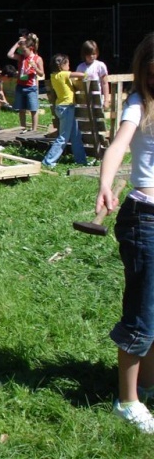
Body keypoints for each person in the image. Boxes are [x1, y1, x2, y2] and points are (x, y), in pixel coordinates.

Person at [96, 32, 154, 434]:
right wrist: (105, 180)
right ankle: (127, 400)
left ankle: (147, 384)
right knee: (142, 311)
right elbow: (118, 146)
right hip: (145, 218)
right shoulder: (138, 105)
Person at [42, 54, 88, 168]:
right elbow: (81, 75)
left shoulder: (54, 76)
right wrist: (88, 73)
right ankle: (48, 161)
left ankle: (81, 161)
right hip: (67, 108)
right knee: (63, 137)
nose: (69, 66)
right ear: (61, 65)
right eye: (67, 63)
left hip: (63, 107)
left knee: (75, 135)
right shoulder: (63, 74)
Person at [8, 33, 45, 132]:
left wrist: (35, 68)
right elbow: (10, 54)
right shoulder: (21, 57)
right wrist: (17, 43)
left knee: (33, 109)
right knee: (21, 109)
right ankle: (23, 128)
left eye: (25, 50)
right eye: (22, 50)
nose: (23, 52)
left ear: (31, 48)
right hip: (20, 86)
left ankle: (34, 130)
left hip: (31, 87)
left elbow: (42, 74)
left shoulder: (37, 59)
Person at [76, 40, 111, 111]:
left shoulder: (100, 65)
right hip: (84, 99)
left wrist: (106, 100)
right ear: (84, 54)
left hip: (96, 98)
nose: (92, 56)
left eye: (94, 54)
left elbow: (105, 83)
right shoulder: (80, 67)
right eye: (89, 54)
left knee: (97, 118)